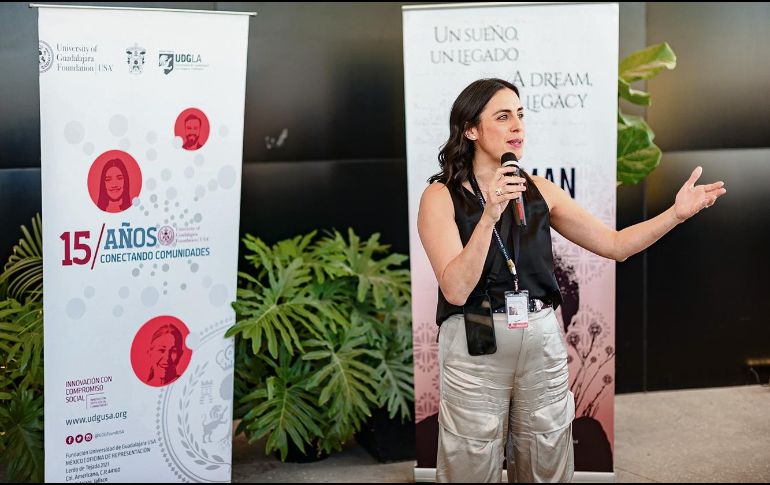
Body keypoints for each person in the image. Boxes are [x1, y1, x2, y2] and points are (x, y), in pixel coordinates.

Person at [417, 78, 726, 483]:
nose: (517, 127)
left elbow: (616, 245)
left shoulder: (541, 191)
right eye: (503, 116)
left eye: (521, 115)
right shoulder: (440, 197)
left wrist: (676, 214)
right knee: (470, 461)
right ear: (470, 130)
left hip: (540, 337)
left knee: (547, 455)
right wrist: (490, 213)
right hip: (475, 339)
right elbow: (455, 288)